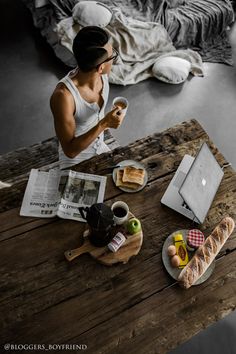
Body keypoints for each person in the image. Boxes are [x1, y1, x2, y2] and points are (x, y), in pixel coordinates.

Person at [50, 26, 125, 169]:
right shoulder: (63, 97)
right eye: (112, 56)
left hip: (99, 144)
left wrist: (108, 118)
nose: (114, 60)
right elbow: (70, 151)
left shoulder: (102, 76)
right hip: (76, 156)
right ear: (100, 67)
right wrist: (104, 123)